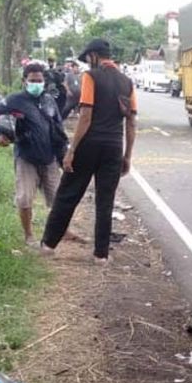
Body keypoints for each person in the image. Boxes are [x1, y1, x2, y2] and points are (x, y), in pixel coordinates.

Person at [40, 39, 137, 264]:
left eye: (88, 59)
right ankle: (101, 255)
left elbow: (85, 115)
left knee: (68, 194)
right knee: (105, 200)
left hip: (89, 144)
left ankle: (48, 245)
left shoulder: (91, 77)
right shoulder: (127, 82)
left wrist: (72, 150)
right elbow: (131, 123)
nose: (87, 63)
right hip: (114, 147)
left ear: (94, 56)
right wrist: (127, 156)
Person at [0, 61, 76, 246]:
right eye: (33, 80)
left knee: (58, 200)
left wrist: (64, 152)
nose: (37, 84)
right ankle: (28, 236)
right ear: (24, 81)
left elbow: (58, 126)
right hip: (26, 158)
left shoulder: (48, 100)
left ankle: (63, 231)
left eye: (40, 80)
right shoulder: (14, 100)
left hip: (49, 158)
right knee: (25, 199)